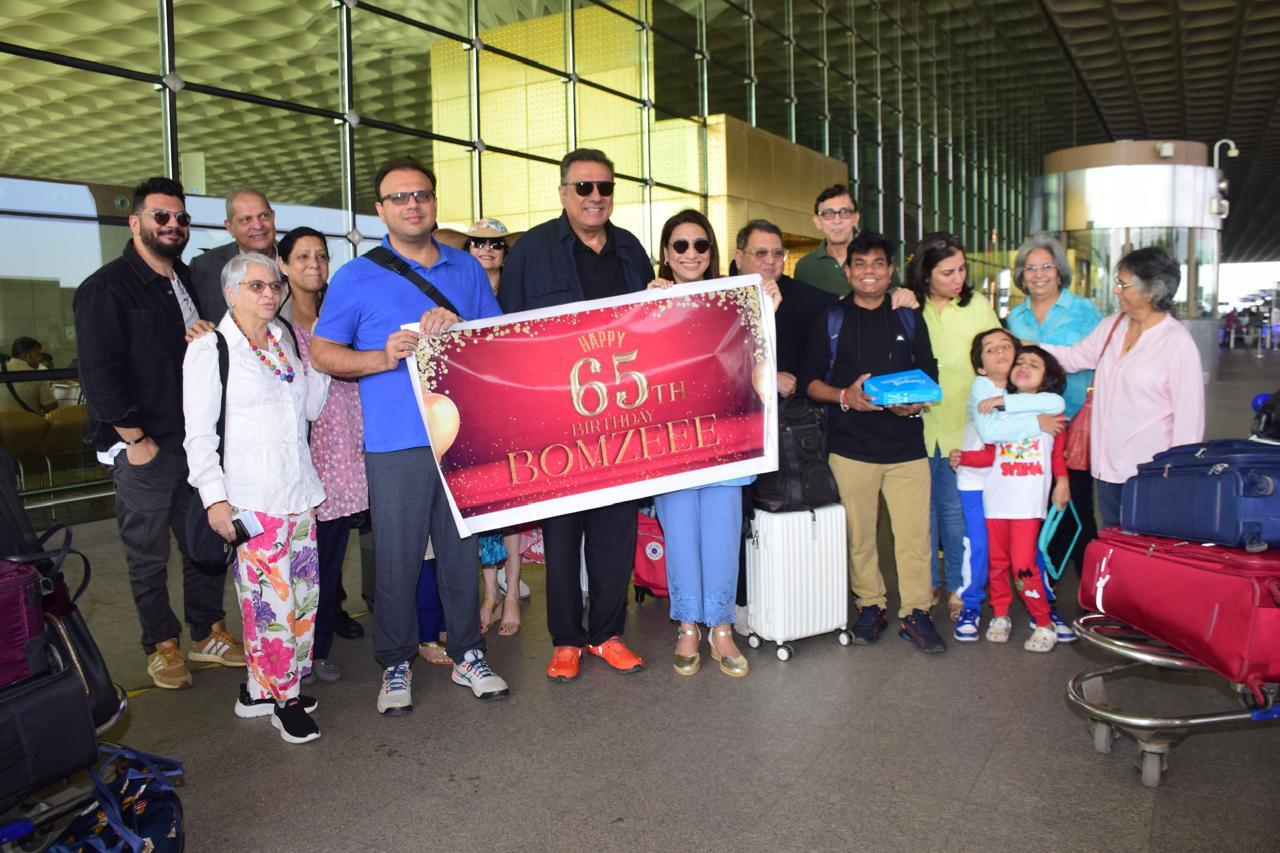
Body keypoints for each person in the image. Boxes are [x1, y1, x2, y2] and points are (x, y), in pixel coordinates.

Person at [311, 155, 509, 716]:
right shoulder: (356, 275)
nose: (412, 204)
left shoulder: (466, 269)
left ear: (434, 202)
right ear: (380, 210)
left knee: (459, 552)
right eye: (399, 198)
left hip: (460, 436)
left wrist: (462, 329)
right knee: (396, 558)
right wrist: (380, 357)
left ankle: (468, 652)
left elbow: (494, 341)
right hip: (396, 443)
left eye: (420, 194)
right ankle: (395, 662)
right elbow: (325, 352)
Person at [73, 176, 242, 690]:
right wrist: (134, 438)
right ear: (136, 221)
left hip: (194, 442)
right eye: (161, 216)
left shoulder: (186, 281)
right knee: (148, 553)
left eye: (181, 218)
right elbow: (98, 371)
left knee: (205, 541)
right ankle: (161, 645)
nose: (173, 226)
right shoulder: (106, 288)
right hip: (146, 445)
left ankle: (208, 632)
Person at [499, 148, 652, 681]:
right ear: (563, 192)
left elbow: (650, 332)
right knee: (563, 537)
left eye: (604, 188)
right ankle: (566, 641)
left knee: (615, 534)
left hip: (621, 419)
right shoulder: (531, 252)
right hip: (555, 421)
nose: (595, 197)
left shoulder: (632, 250)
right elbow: (509, 338)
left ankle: (607, 636)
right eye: (583, 188)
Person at [184, 253, 329, 743]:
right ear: (230, 293)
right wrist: (214, 500)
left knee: (303, 600)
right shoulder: (211, 348)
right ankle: (284, 701)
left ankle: (257, 690)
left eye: (274, 286)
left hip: (299, 493)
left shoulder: (283, 340)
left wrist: (323, 362)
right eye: (255, 287)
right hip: (251, 499)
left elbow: (309, 407)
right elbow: (198, 435)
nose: (269, 294)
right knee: (272, 607)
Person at [800, 232, 946, 654]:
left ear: (890, 271)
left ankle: (916, 612)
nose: (869, 272)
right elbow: (811, 382)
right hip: (850, 448)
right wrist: (846, 396)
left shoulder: (907, 317)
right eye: (860, 264)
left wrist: (915, 405)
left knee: (915, 536)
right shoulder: (832, 319)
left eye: (878, 264)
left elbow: (928, 373)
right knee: (859, 536)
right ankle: (871, 604)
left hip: (906, 449)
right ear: (848, 271)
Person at [649, 210, 780, 678]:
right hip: (671, 445)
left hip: (727, 438)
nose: (690, 254)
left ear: (712, 252)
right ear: (666, 253)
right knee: (680, 536)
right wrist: (643, 311)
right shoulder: (648, 304)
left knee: (723, 538)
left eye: (700, 245)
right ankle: (688, 626)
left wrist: (768, 308)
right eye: (679, 245)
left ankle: (721, 627)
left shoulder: (741, 299)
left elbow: (758, 362)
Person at [1039, 247, 1205, 529]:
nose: (1116, 291)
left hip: (1150, 474)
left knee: (1145, 553)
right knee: (1116, 547)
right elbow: (1075, 357)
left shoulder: (1176, 342)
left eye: (1123, 284)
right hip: (1106, 469)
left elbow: (1190, 419)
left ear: (1151, 291)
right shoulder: (1112, 326)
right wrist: (1029, 348)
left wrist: (1178, 476)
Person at [276, 226, 367, 683]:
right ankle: (303, 649)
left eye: (321, 256)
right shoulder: (278, 326)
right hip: (310, 454)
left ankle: (322, 638)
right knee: (306, 563)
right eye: (303, 256)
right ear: (283, 265)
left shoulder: (341, 313)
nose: (314, 264)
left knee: (332, 557)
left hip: (350, 444)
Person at [903, 233, 999, 620]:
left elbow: (995, 349)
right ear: (926, 274)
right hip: (918, 426)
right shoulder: (908, 305)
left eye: (961, 269)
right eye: (947, 272)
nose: (958, 278)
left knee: (956, 510)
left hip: (965, 424)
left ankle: (961, 586)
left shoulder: (975, 304)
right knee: (922, 513)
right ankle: (926, 582)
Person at [442, 218, 528, 636]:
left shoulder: (517, 294)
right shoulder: (459, 290)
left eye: (495, 244)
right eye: (478, 242)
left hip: (511, 411)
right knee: (481, 507)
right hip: (469, 412)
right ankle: (489, 593)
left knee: (510, 509)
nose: (486, 250)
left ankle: (511, 594)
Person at [953, 346, 1070, 653]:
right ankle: (1001, 615)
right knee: (998, 563)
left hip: (1027, 505)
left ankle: (1043, 622)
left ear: (1046, 379)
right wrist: (964, 457)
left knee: (1023, 564)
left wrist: (1063, 481)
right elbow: (990, 454)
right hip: (996, 502)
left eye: (1034, 364)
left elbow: (1058, 454)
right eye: (1020, 362)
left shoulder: (1051, 412)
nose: (1024, 366)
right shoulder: (999, 415)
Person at [1004, 235, 1102, 574]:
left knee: (1077, 502)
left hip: (1073, 422)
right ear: (1021, 275)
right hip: (1029, 428)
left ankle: (1088, 579)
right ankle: (1047, 576)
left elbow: (1100, 360)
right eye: (1030, 268)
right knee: (1038, 500)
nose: (1039, 274)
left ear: (1060, 272)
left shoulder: (1084, 311)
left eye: (1046, 266)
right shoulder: (1014, 317)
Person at [190, 187, 278, 323]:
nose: (258, 225)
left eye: (263, 216)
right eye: (246, 219)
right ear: (230, 227)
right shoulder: (205, 267)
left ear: (273, 217)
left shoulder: (297, 261)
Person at [794, 184, 861, 298]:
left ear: (855, 218)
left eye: (844, 212)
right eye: (828, 213)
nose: (837, 220)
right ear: (817, 221)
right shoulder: (805, 267)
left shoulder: (876, 260)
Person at [2, 337, 58, 414]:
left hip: (3, 423)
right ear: (25, 355)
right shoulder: (37, 376)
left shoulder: (2, 370)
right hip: (30, 424)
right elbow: (51, 408)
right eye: (37, 355)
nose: (40, 359)